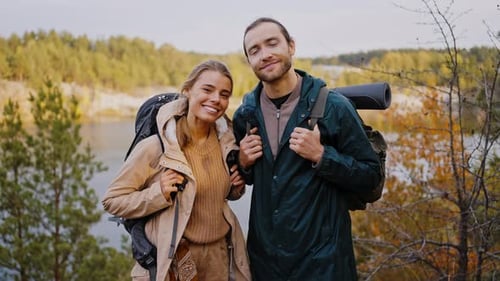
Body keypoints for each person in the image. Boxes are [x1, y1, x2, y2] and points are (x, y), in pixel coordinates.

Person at [232, 17, 382, 281]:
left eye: (272, 43)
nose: (265, 54)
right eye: (254, 50)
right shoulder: (246, 115)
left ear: (291, 46)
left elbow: (370, 177)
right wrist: (243, 163)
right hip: (266, 264)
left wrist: (323, 156)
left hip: (325, 265)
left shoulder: (334, 107)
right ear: (249, 61)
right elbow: (254, 178)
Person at [102, 60, 251, 281]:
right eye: (207, 90)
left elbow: (216, 196)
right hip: (176, 261)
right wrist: (158, 193)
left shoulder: (226, 143)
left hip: (219, 258)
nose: (216, 99)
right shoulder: (158, 146)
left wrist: (235, 187)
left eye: (224, 94)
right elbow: (112, 200)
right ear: (188, 91)